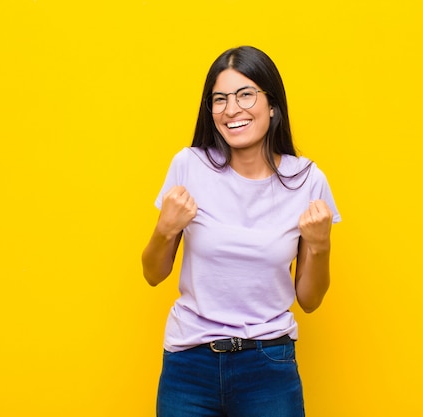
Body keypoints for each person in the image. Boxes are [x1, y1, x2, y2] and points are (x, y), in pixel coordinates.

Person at [141, 45, 341, 417]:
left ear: (272, 105)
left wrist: (321, 246)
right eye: (220, 99)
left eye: (245, 94)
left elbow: (310, 301)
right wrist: (165, 229)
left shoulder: (307, 180)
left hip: (269, 364)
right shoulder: (189, 165)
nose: (232, 109)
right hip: (189, 363)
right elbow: (153, 273)